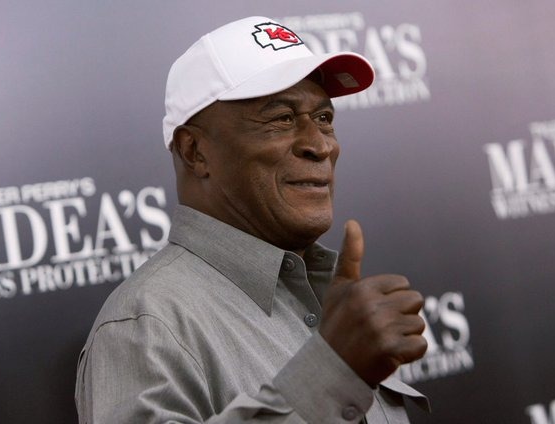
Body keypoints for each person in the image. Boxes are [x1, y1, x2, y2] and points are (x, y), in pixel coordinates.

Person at [75, 16, 429, 423]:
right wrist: (333, 374)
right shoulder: (146, 327)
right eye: (281, 118)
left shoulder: (328, 294)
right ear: (195, 152)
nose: (319, 145)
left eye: (324, 118)